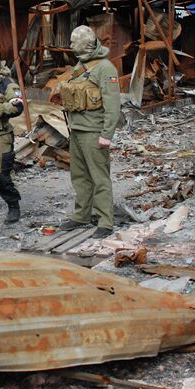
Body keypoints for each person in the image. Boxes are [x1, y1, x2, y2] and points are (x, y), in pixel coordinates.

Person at [56, 25, 121, 239]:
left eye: (75, 41)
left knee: (99, 177)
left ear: (85, 43)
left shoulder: (105, 68)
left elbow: (113, 105)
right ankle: (81, 215)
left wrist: (106, 135)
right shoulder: (80, 65)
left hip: (93, 131)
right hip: (76, 129)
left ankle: (105, 221)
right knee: (80, 176)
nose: (71, 45)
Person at [0, 53, 24, 224]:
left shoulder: (6, 84)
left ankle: (13, 205)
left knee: (2, 174)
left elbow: (18, 106)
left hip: (0, 136)